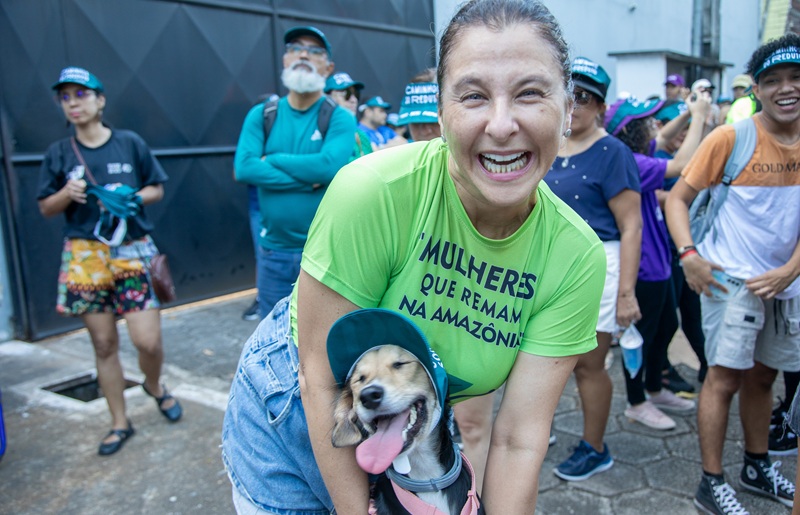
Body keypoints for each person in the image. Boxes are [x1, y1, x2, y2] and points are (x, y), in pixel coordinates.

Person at [221, 1, 607, 512]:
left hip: (411, 417)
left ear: (568, 109)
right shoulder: (374, 191)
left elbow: (517, 439)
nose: (500, 124)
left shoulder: (576, 256)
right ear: (442, 114)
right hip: (297, 407)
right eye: (472, 96)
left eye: (530, 93)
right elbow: (321, 379)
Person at [665, 33, 800, 514]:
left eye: (795, 78)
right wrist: (689, 256)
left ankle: (757, 464)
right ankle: (711, 480)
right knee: (723, 378)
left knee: (765, 378)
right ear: (757, 90)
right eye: (773, 80)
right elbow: (677, 199)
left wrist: (790, 269)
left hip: (786, 283)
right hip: (730, 281)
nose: (786, 88)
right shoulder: (731, 137)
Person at [37, 66, 182, 456]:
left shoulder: (129, 143)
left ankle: (154, 385)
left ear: (100, 100)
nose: (73, 103)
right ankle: (119, 421)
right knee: (103, 344)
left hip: (132, 249)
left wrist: (134, 196)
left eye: (81, 94)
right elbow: (46, 207)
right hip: (86, 255)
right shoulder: (59, 153)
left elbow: (156, 188)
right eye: (65, 97)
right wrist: (67, 192)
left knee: (147, 341)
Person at [544, 56, 642, 481]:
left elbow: (631, 224)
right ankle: (535, 428)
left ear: (602, 106)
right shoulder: (549, 142)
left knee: (588, 364)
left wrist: (626, 292)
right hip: (548, 267)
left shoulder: (613, 152)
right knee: (542, 358)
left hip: (598, 266)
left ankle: (595, 447)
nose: (574, 104)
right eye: (568, 94)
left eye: (585, 97)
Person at [605, 91, 711, 430]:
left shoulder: (636, 151)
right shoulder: (630, 161)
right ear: (630, 130)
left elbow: (664, 138)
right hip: (643, 267)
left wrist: (689, 113)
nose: (654, 126)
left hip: (659, 263)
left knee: (667, 326)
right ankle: (637, 401)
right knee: (640, 337)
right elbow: (682, 165)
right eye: (646, 122)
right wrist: (699, 118)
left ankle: (654, 387)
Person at [233, 26, 355, 319]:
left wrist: (273, 158)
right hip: (272, 252)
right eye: (295, 48)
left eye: (315, 51)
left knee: (321, 339)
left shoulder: (338, 117)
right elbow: (245, 167)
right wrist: (309, 180)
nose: (303, 54)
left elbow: (328, 167)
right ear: (285, 60)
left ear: (329, 67)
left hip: (324, 254)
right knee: (272, 340)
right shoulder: (263, 114)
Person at [324, 72, 373, 161]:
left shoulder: (361, 135)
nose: (353, 100)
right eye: (346, 94)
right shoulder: (320, 133)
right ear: (328, 98)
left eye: (356, 94)